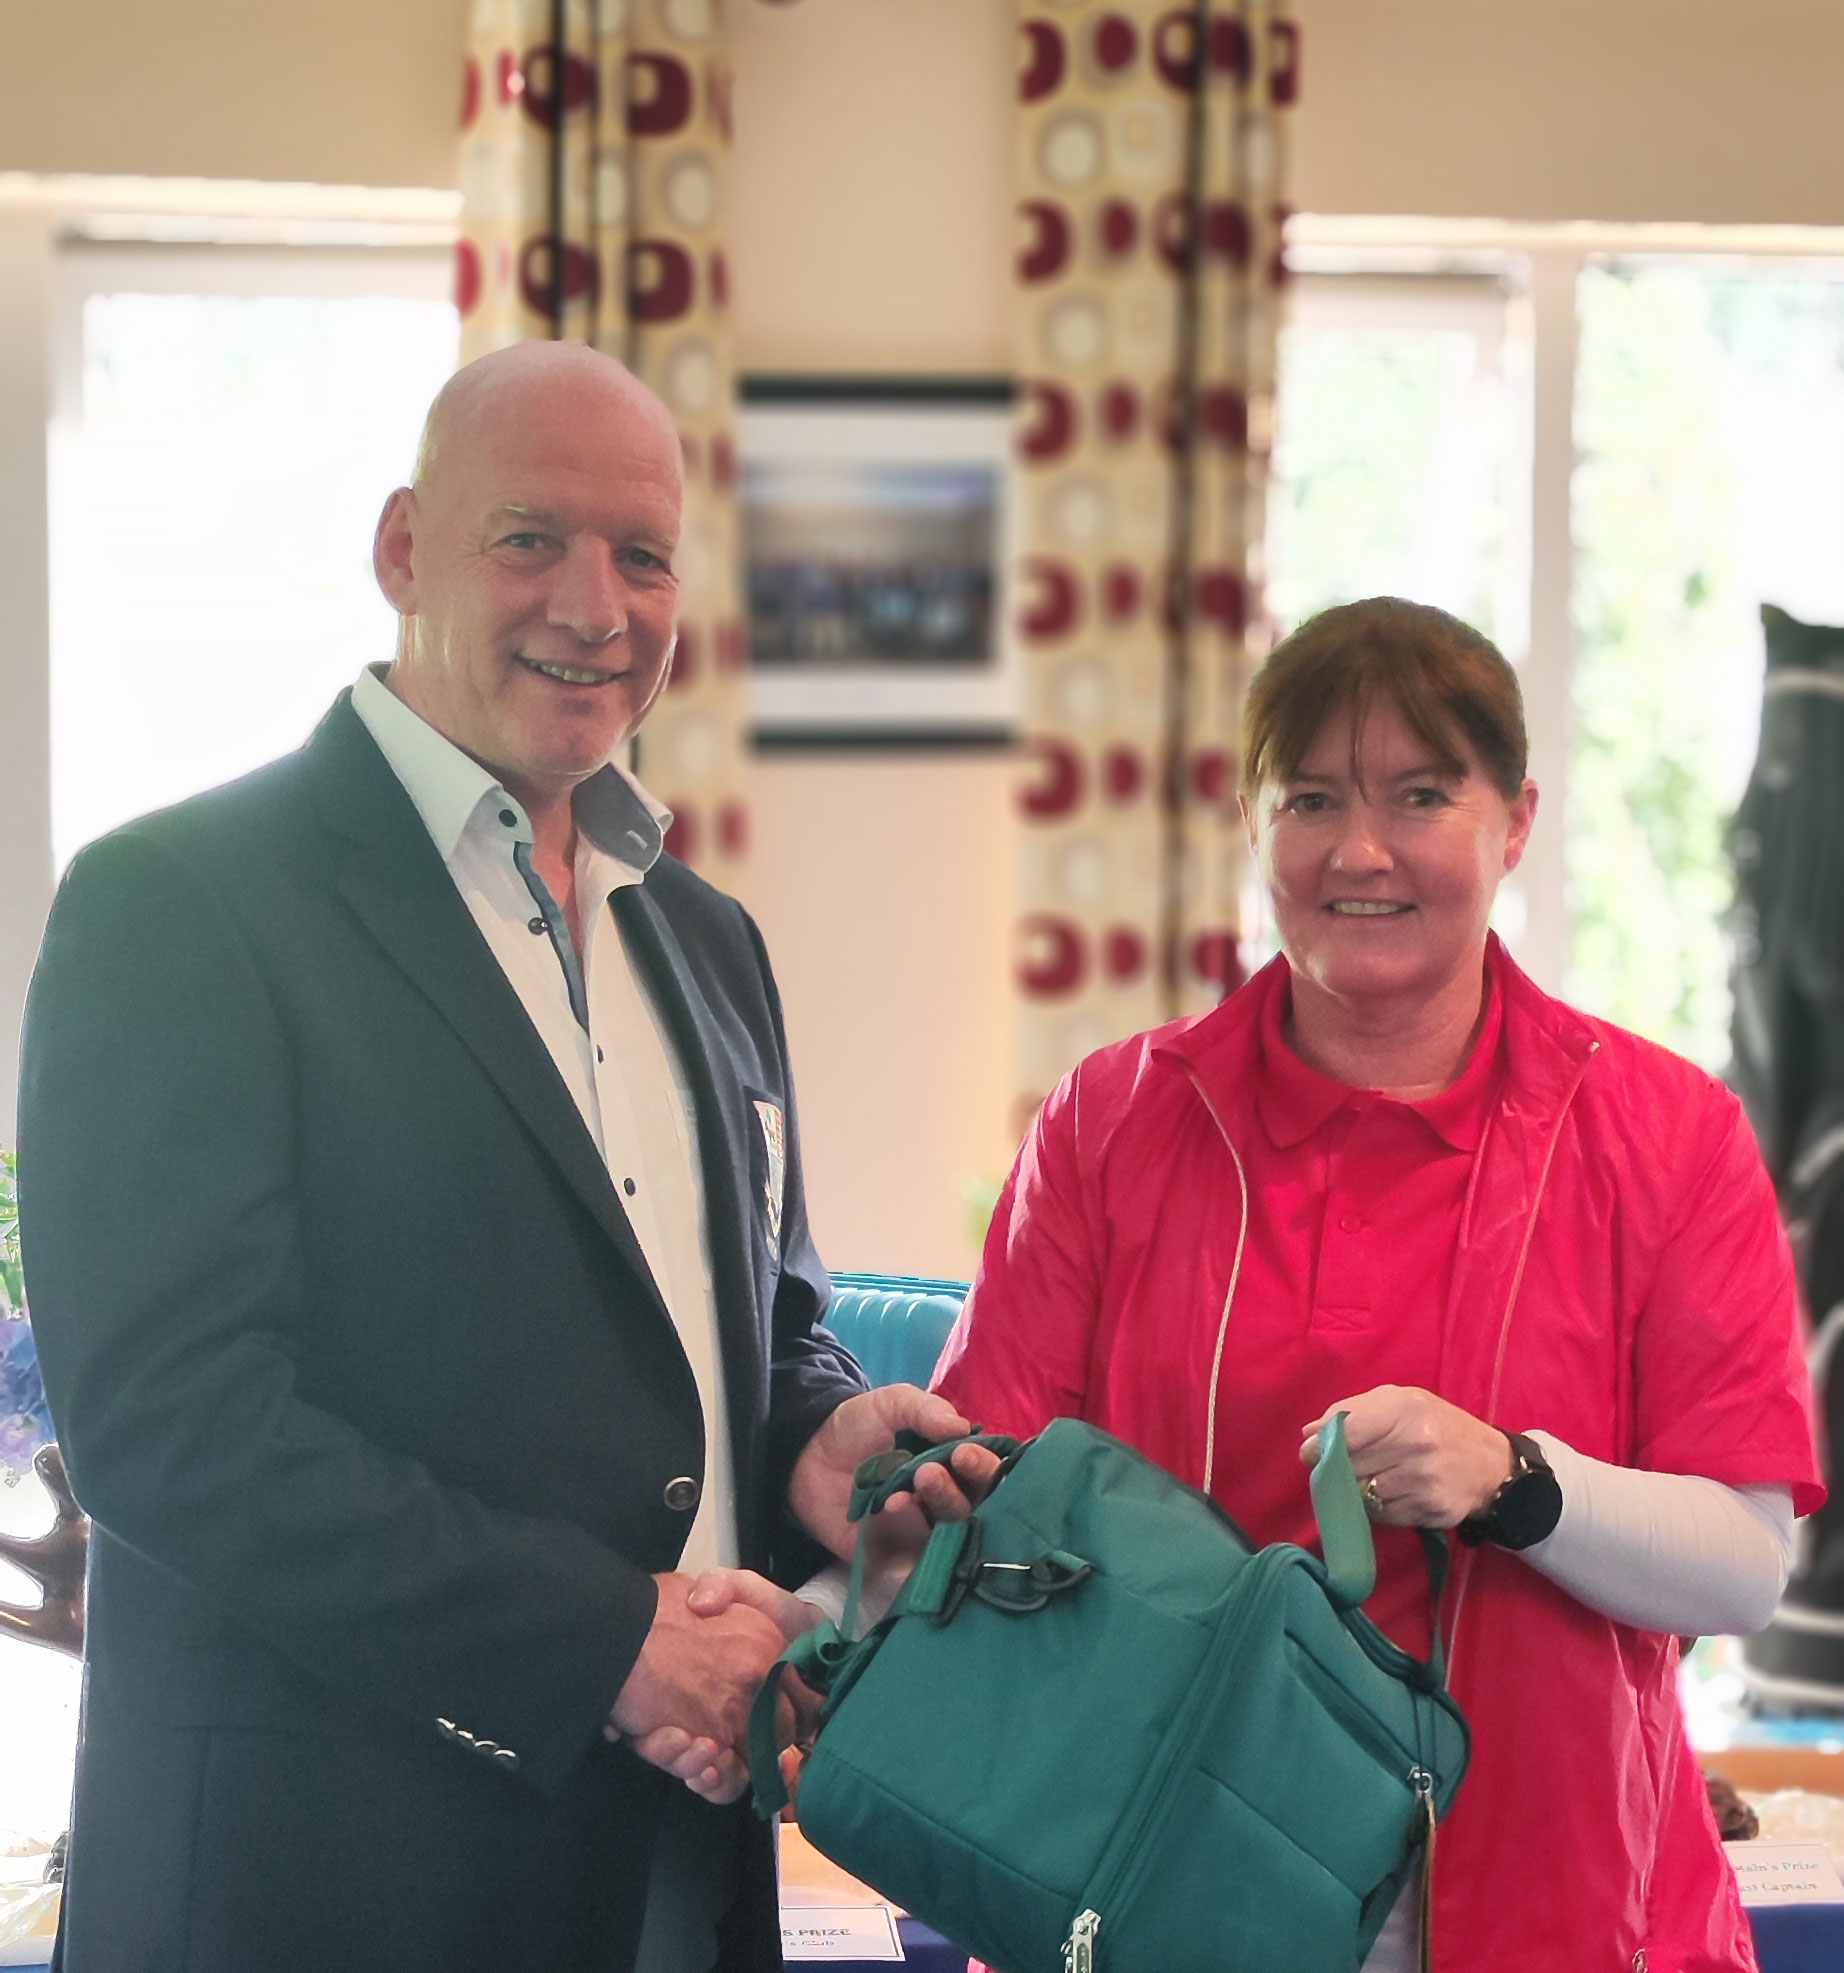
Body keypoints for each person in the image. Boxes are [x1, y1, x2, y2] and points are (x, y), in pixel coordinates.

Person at [17, 340, 970, 1973]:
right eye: (530, 537)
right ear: (403, 547)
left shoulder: (710, 942)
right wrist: (603, 1643)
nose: (596, 606)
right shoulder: (178, 904)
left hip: (682, 1870)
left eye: (645, 554)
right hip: (322, 1888)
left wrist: (817, 1438)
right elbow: (174, 1428)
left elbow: (759, 1314)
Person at [924, 598, 1824, 1973]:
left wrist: (1522, 1480)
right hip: (1165, 1898)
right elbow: (977, 1498)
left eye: (1420, 795)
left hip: (1562, 1914)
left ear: (1514, 821)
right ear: (1255, 825)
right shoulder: (1112, 1121)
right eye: (1313, 798)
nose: (1361, 849)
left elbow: (1746, 1561)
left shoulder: (1667, 1133)